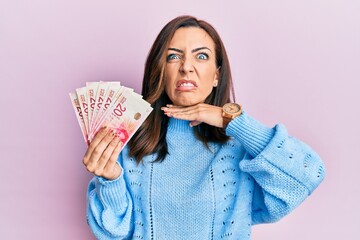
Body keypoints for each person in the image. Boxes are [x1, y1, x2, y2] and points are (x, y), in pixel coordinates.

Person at [82, 15, 325, 240]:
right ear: (160, 71)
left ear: (216, 75)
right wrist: (110, 181)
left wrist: (233, 121)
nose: (186, 67)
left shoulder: (241, 148)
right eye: (173, 56)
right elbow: (114, 234)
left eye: (201, 56)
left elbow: (307, 175)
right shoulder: (130, 144)